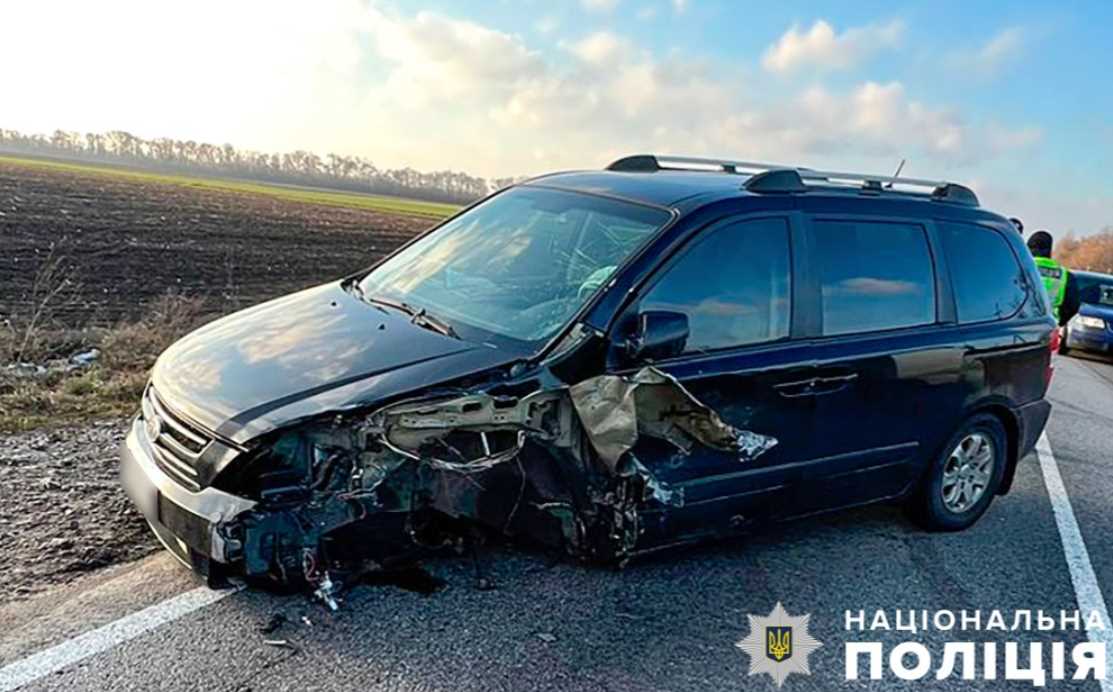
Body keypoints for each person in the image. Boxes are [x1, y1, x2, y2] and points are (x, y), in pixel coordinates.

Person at [1027, 230, 1072, 323]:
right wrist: (1061, 321)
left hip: (1021, 322)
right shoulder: (1064, 274)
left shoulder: (1021, 267)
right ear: (1050, 250)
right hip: (1049, 325)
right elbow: (1072, 305)